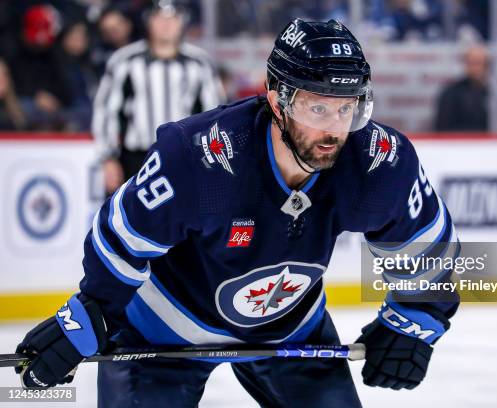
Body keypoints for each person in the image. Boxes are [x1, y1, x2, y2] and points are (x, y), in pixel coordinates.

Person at [15, 19, 460, 407]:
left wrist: (421, 315)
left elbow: (430, 244)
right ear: (275, 98)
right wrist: (92, 311)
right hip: (162, 330)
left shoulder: (377, 160)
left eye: (346, 108)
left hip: (290, 328)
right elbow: (120, 233)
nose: (333, 128)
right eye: (316, 106)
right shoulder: (201, 157)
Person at [92, 0, 225, 196]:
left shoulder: (200, 63)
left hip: (183, 157)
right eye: (159, 18)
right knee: (131, 222)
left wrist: (209, 159)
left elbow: (214, 115)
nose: (166, 24)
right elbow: (106, 110)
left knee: (182, 222)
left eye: (172, 18)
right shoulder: (125, 61)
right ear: (149, 22)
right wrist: (108, 158)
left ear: (182, 21)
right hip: (136, 159)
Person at [434, 44, 489, 131]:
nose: (478, 68)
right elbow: (442, 129)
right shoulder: (451, 94)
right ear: (466, 64)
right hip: (459, 143)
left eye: (483, 64)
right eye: (474, 63)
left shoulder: (491, 94)